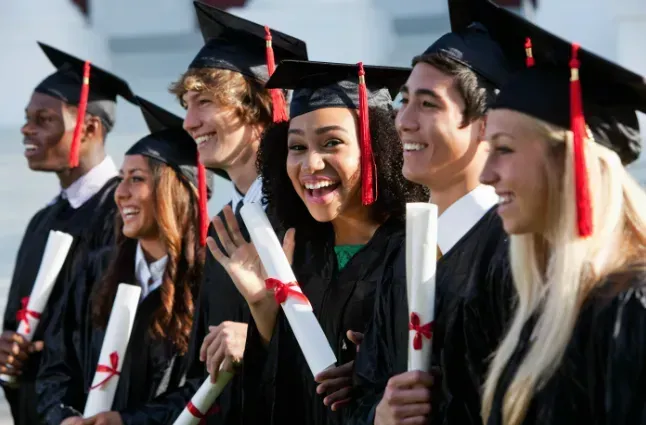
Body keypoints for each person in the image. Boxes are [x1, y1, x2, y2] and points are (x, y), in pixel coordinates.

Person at [105, 3, 309, 424]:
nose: (189, 122)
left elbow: (340, 348)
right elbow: (202, 375)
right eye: (186, 104)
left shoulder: (306, 216)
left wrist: (258, 337)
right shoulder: (223, 227)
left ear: (258, 104)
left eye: (203, 103)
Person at [207, 59, 429, 425]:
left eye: (332, 143)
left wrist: (373, 369)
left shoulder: (415, 251)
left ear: (377, 148)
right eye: (296, 147)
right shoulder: (297, 257)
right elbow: (275, 400)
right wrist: (264, 314)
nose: (310, 163)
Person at [345, 2, 519, 424]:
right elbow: (364, 394)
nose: (403, 120)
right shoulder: (401, 253)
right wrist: (381, 417)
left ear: (486, 124)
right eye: (404, 101)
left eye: (428, 104)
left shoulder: (514, 250)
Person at [475, 5, 646, 424]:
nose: (485, 174)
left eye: (504, 149)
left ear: (569, 162)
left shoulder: (631, 307)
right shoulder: (547, 306)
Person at [36, 96, 215, 425]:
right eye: (122, 178)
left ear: (174, 191)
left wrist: (128, 421)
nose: (120, 193)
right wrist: (63, 417)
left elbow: (209, 386)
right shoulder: (96, 269)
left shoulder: (210, 281)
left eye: (137, 179)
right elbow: (56, 366)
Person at [1, 42, 136, 425]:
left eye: (43, 119)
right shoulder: (43, 220)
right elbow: (17, 319)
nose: (27, 129)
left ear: (90, 127)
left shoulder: (123, 216)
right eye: (28, 118)